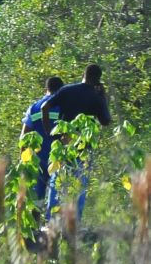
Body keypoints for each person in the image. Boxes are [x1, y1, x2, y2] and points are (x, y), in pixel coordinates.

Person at [41, 64, 111, 220]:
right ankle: (74, 223)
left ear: (83, 74)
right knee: (80, 184)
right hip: (84, 147)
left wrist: (50, 133)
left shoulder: (67, 90)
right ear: (98, 80)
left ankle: (51, 221)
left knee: (57, 181)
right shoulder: (96, 97)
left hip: (64, 143)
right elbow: (106, 121)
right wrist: (103, 97)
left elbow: (45, 107)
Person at [20, 76, 64, 202]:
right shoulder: (64, 107)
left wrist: (23, 161)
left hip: (37, 160)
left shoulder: (34, 108)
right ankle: (52, 221)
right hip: (58, 158)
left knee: (35, 200)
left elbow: (24, 137)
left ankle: (36, 220)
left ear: (46, 89)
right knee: (56, 199)